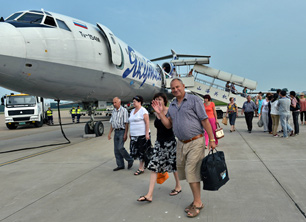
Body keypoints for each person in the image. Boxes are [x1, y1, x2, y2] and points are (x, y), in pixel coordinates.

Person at [151, 78, 216, 218]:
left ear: (183, 86)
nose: (175, 90)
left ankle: (198, 203)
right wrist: (160, 112)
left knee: (191, 171)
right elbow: (168, 125)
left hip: (196, 141)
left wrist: (211, 139)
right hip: (181, 143)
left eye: (177, 87)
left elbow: (204, 120)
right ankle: (196, 200)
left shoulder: (194, 100)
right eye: (172, 88)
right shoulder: (173, 105)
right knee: (187, 174)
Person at [137, 93, 181, 202]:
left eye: (160, 99)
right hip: (159, 143)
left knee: (173, 166)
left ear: (164, 100)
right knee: (154, 166)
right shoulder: (156, 112)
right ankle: (149, 194)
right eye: (155, 99)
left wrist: (160, 112)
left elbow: (168, 126)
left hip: (170, 143)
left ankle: (178, 186)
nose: (158, 101)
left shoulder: (169, 110)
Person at [108, 97, 134, 171]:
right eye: (113, 102)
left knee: (120, 147)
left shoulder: (124, 111)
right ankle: (120, 165)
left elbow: (126, 123)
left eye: (115, 102)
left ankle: (130, 159)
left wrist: (125, 134)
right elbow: (112, 123)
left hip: (122, 131)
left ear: (119, 102)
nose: (114, 104)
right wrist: (110, 133)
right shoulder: (113, 111)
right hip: (116, 131)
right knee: (116, 150)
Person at [129, 95, 150, 176]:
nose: (133, 103)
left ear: (139, 102)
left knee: (141, 152)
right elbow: (131, 122)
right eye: (133, 101)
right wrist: (130, 133)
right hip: (134, 135)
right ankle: (144, 164)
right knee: (136, 152)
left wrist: (147, 133)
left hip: (142, 135)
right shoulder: (132, 111)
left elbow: (147, 122)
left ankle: (141, 168)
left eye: (134, 101)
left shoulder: (143, 111)